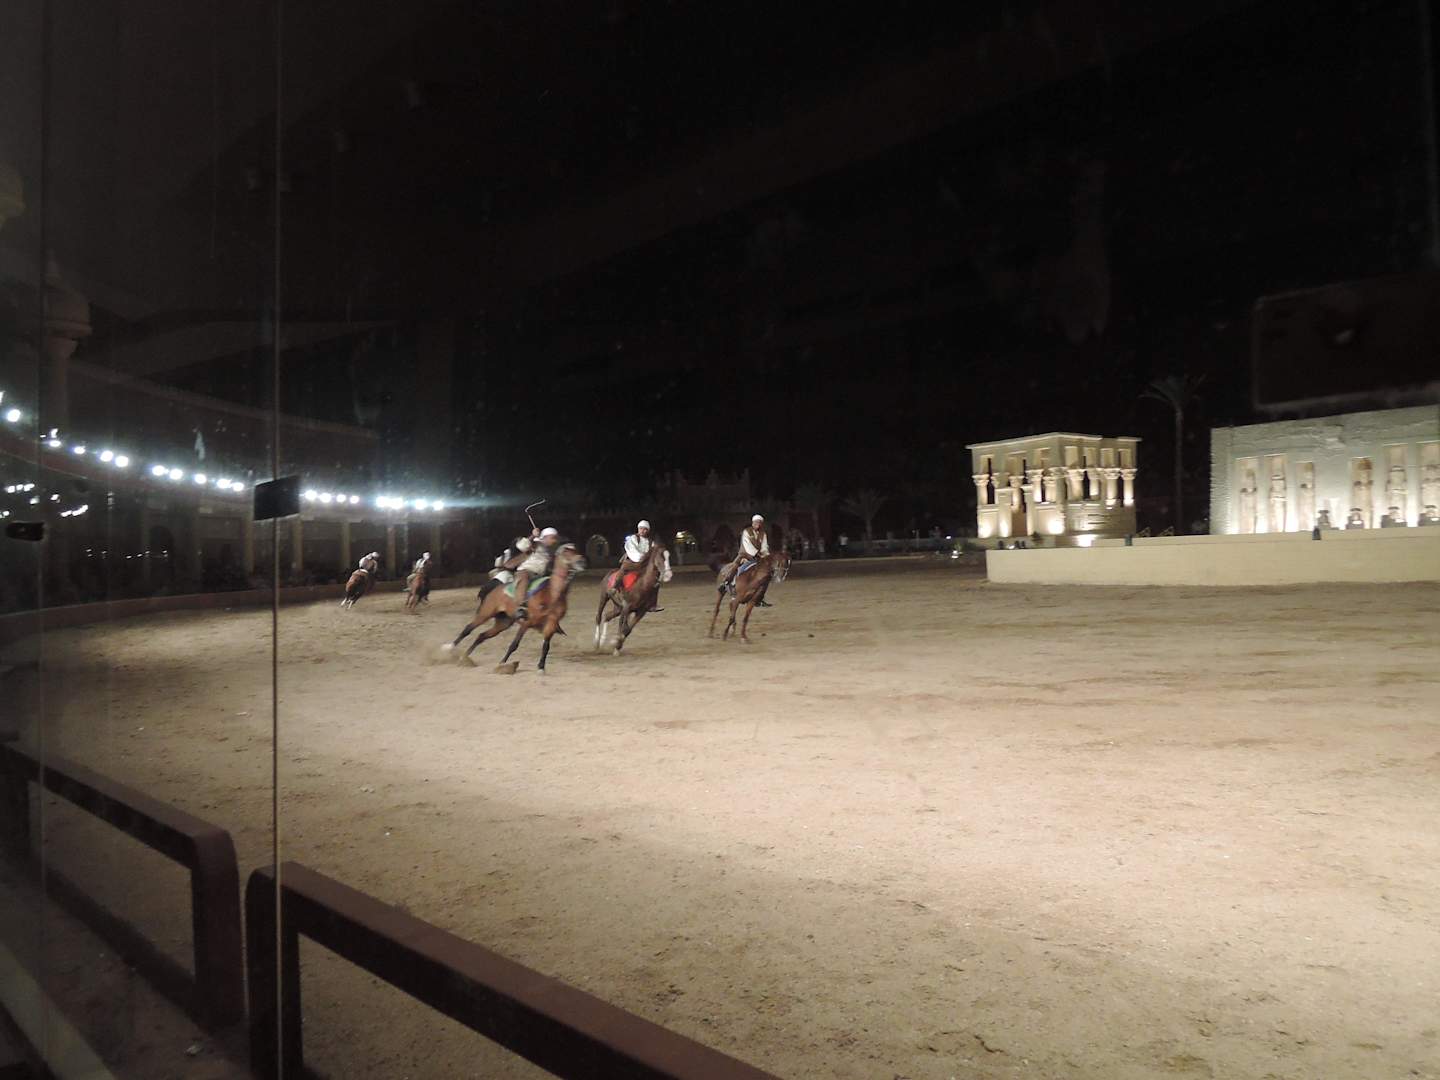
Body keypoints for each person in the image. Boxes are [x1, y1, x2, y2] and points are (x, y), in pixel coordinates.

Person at [718, 514, 774, 606]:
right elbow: (747, 545)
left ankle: (760, 597)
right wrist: (756, 553)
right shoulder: (746, 532)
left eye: (759, 522)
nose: (758, 524)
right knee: (735, 566)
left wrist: (766, 555)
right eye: (756, 522)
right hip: (744, 555)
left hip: (758, 557)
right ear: (753, 523)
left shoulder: (763, 533)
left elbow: (764, 546)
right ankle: (725, 583)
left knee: (766, 574)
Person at [512, 526, 560, 621]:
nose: (554, 540)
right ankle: (520, 608)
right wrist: (532, 536)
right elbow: (521, 546)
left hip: (541, 574)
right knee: (524, 579)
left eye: (555, 538)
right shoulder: (535, 544)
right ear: (545, 537)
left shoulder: (552, 550)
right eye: (552, 538)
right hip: (526, 571)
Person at [618, 519, 663, 612]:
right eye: (641, 528)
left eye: (645, 529)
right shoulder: (633, 539)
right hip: (631, 562)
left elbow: (654, 553)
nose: (642, 531)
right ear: (638, 529)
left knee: (655, 582)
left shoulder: (651, 542)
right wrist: (642, 557)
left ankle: (652, 604)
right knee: (622, 571)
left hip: (644, 565)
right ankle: (615, 588)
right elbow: (632, 550)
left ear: (648, 531)